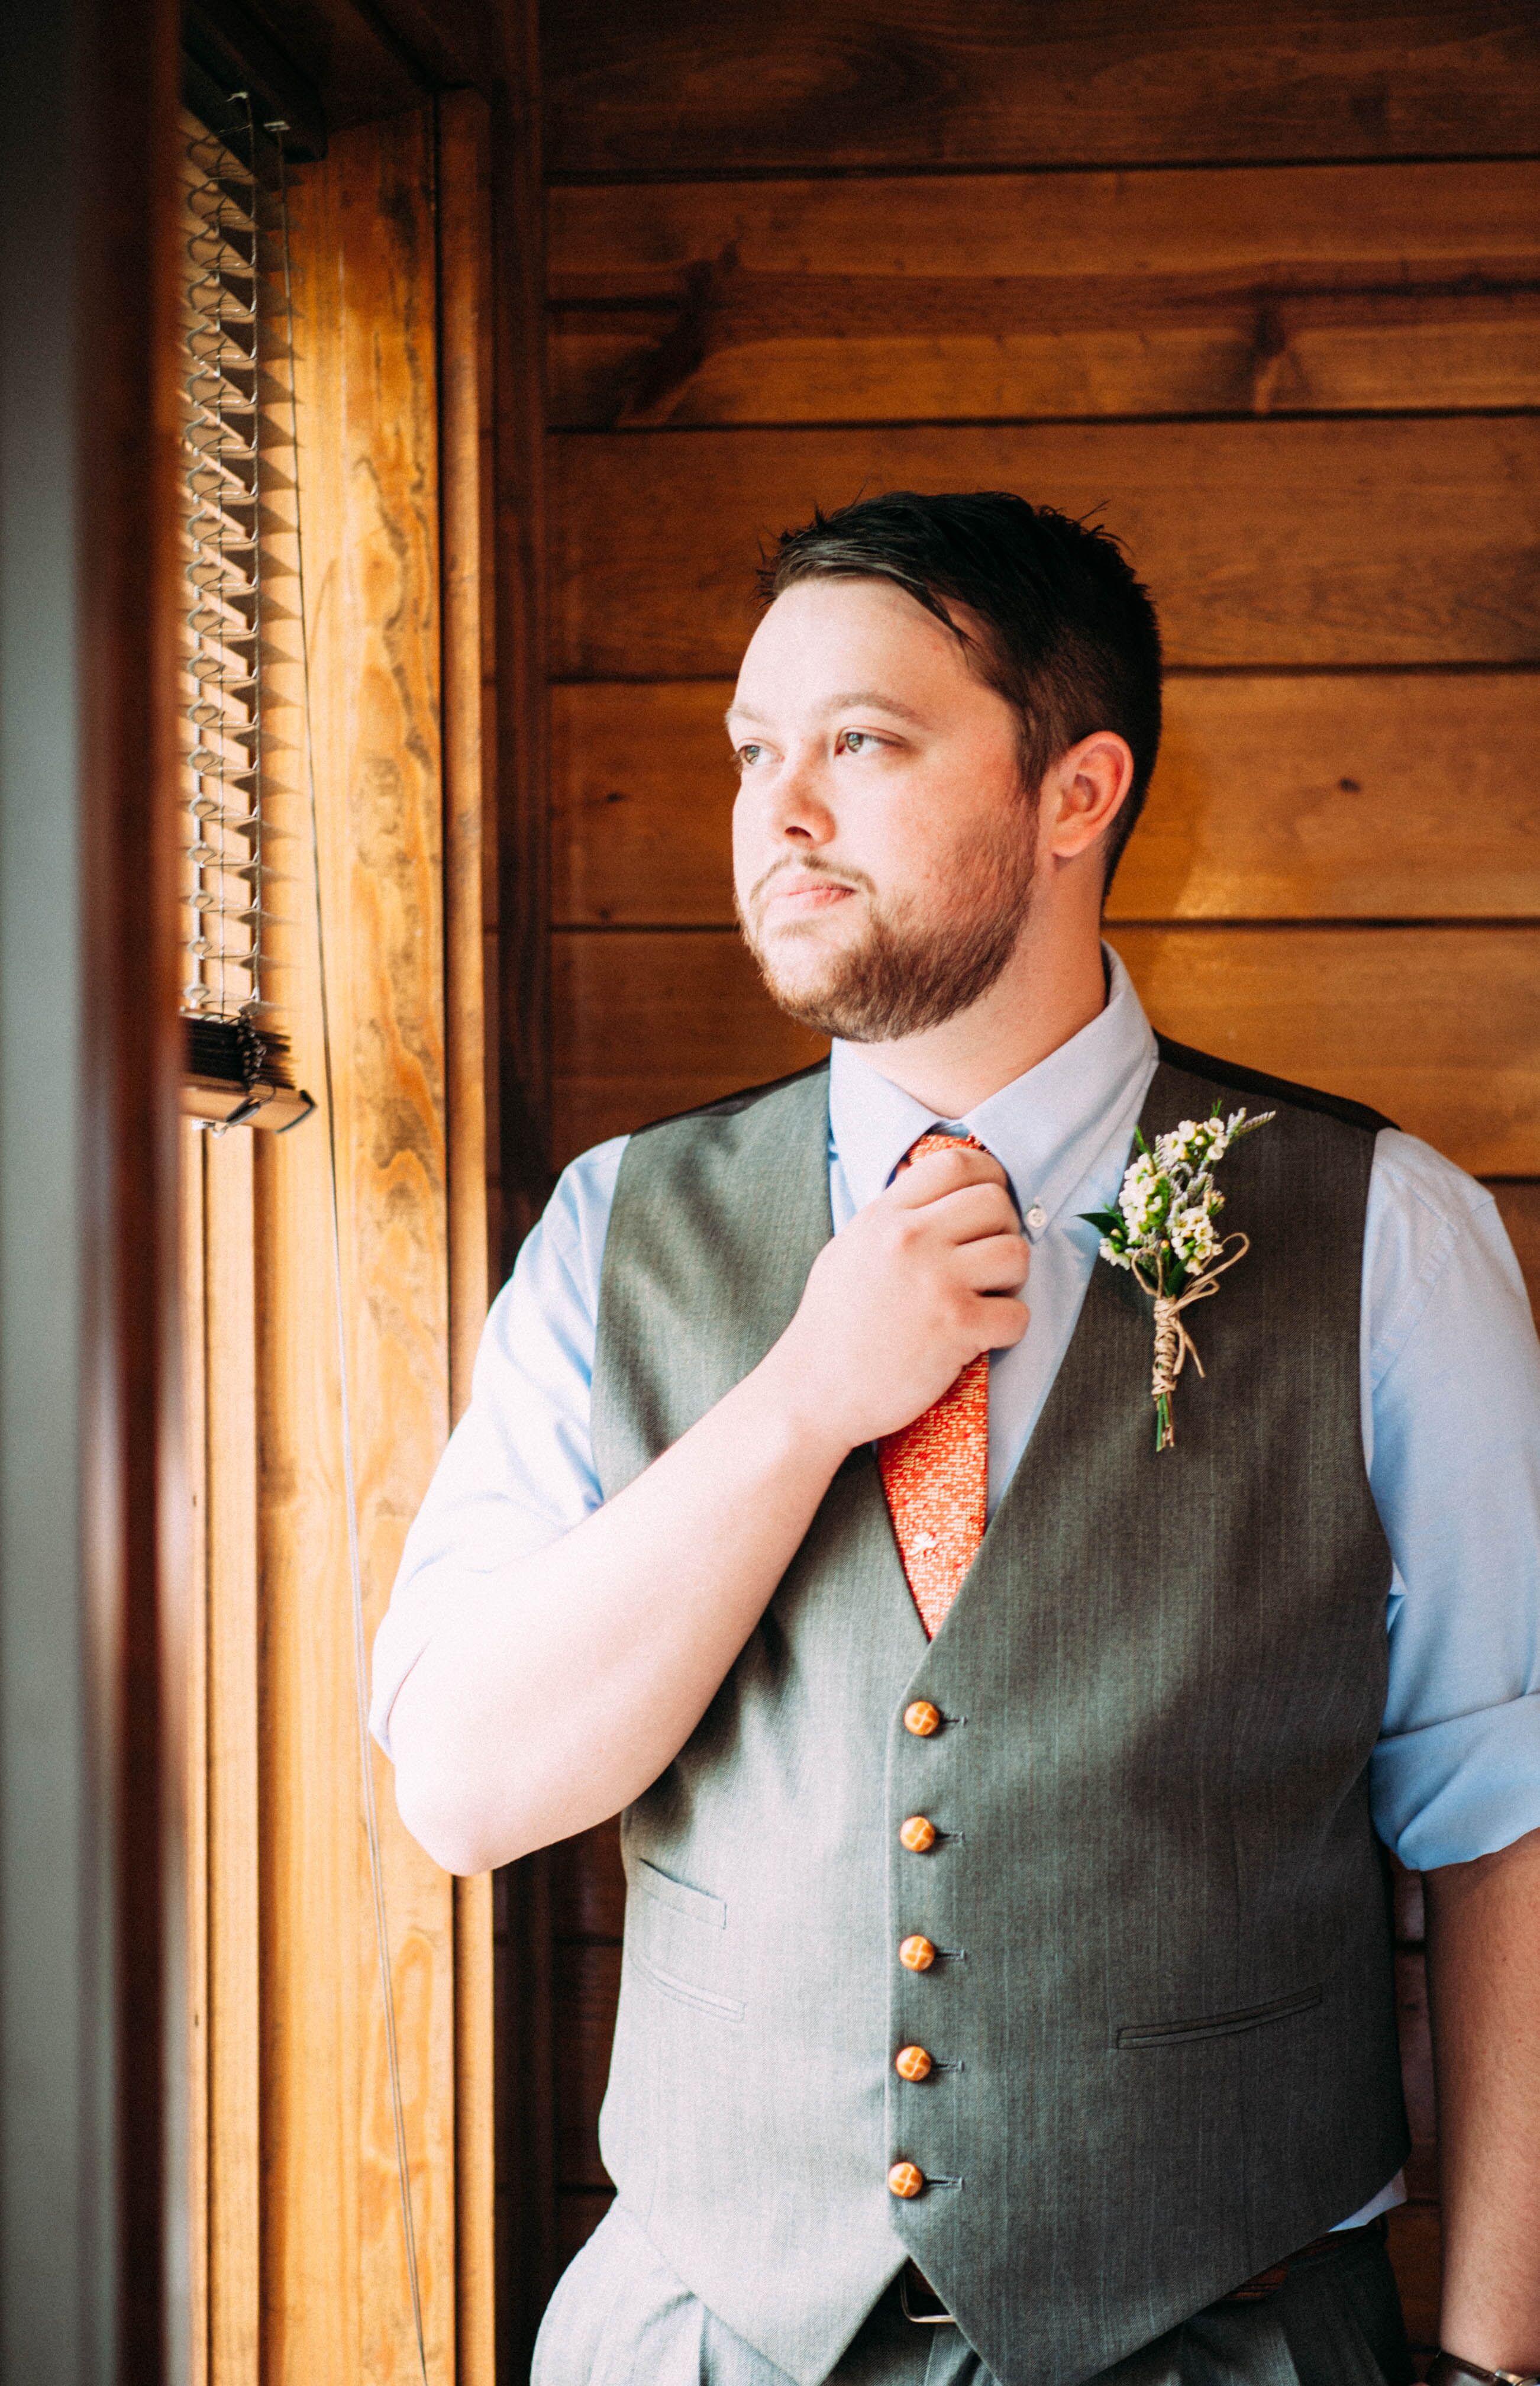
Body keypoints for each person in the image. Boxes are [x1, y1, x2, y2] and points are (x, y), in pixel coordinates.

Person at [372, 492, 1540, 2386]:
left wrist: (1495, 2365)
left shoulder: (1382, 1233)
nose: (779, 812)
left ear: (1076, 793)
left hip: (1221, 2342)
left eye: (860, 742)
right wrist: (806, 1397)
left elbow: (1510, 1830)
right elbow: (464, 1789)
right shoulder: (616, 1226)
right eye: (755, 751)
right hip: (692, 2342)